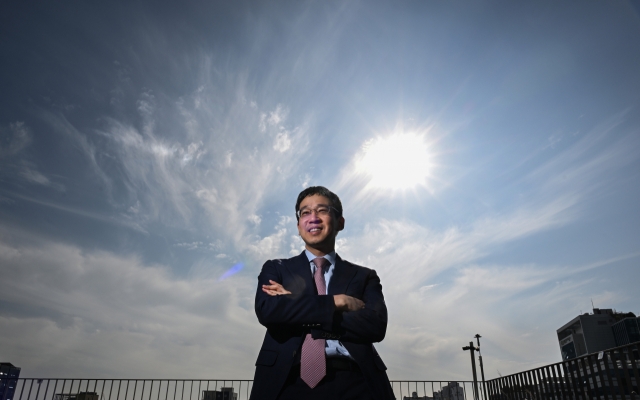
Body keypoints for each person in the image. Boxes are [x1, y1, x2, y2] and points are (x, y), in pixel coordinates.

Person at [250, 186, 395, 400]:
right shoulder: (276, 268)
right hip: (286, 380)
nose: (313, 218)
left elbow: (375, 325)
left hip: (357, 382)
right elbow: (269, 310)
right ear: (298, 224)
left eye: (322, 210)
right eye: (305, 212)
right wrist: (336, 303)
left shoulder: (364, 276)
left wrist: (296, 305)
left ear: (340, 222)